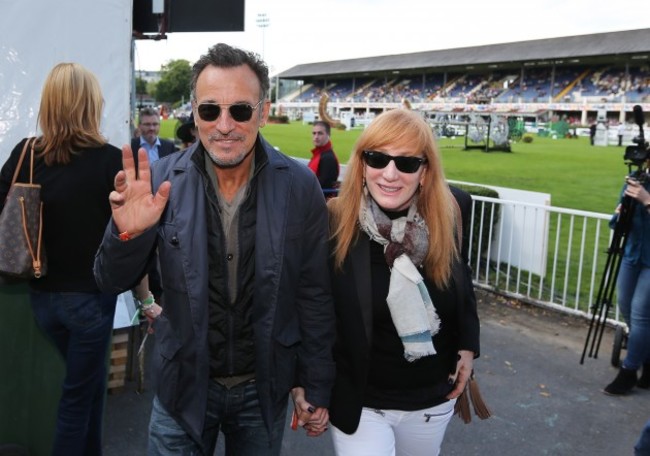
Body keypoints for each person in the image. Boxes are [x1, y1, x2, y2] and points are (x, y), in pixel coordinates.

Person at [94, 43, 335, 455]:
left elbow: (314, 293)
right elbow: (108, 280)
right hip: (181, 386)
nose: (224, 125)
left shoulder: (298, 186)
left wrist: (314, 382)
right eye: (210, 111)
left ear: (262, 111)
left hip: (263, 389)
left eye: (240, 110)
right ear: (194, 112)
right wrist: (128, 236)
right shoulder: (159, 181)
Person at [325, 109, 480, 456]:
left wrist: (469, 344)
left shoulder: (453, 212)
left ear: (425, 172)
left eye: (407, 163)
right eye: (378, 158)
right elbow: (314, 312)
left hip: (431, 399)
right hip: (361, 402)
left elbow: (462, 283)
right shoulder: (335, 222)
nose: (390, 174)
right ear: (362, 164)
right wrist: (307, 383)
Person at [0, 62, 122, 455]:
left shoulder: (26, 153)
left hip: (41, 298)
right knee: (76, 398)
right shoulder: (110, 160)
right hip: (89, 302)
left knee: (88, 388)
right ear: (90, 104)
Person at [604, 173, 650, 395]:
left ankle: (629, 371)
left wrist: (646, 200)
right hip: (632, 255)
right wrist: (624, 204)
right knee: (625, 305)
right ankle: (647, 359)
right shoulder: (639, 181)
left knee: (641, 313)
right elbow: (617, 223)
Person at [308, 120, 340, 192]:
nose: (316, 137)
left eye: (320, 133)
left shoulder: (328, 158)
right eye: (314, 133)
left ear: (328, 135)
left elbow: (321, 184)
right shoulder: (319, 154)